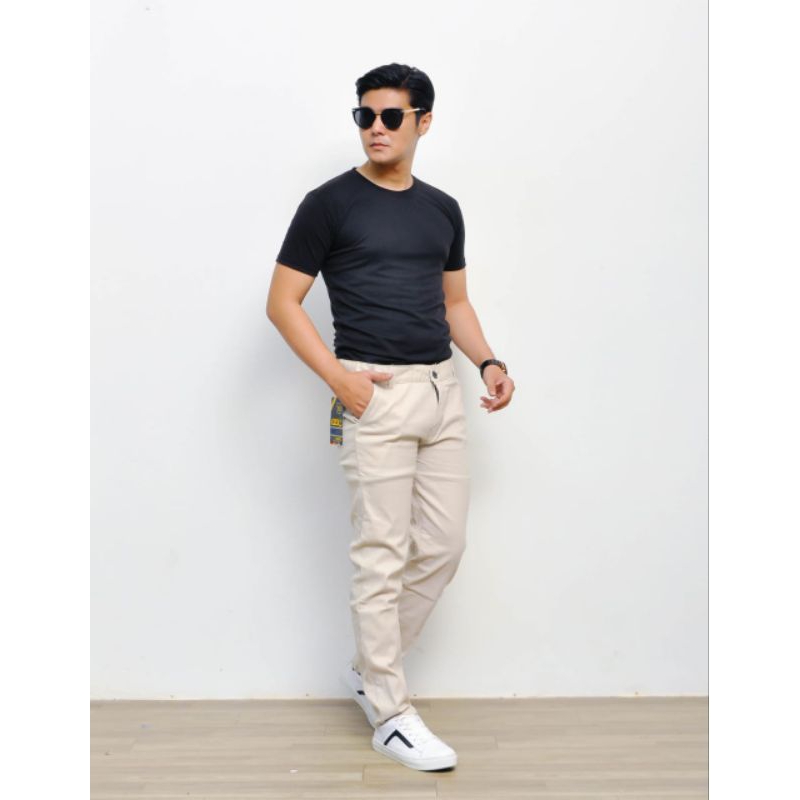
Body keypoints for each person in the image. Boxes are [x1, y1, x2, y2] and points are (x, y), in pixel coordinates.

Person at [266, 63, 515, 772]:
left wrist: (488, 362)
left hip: (442, 391)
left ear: (423, 122)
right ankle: (391, 713)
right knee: (380, 554)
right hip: (374, 391)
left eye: (390, 116)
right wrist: (340, 380)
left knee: (442, 546)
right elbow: (281, 303)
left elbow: (454, 302)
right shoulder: (329, 204)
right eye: (364, 116)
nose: (375, 128)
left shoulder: (442, 209)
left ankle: (371, 671)